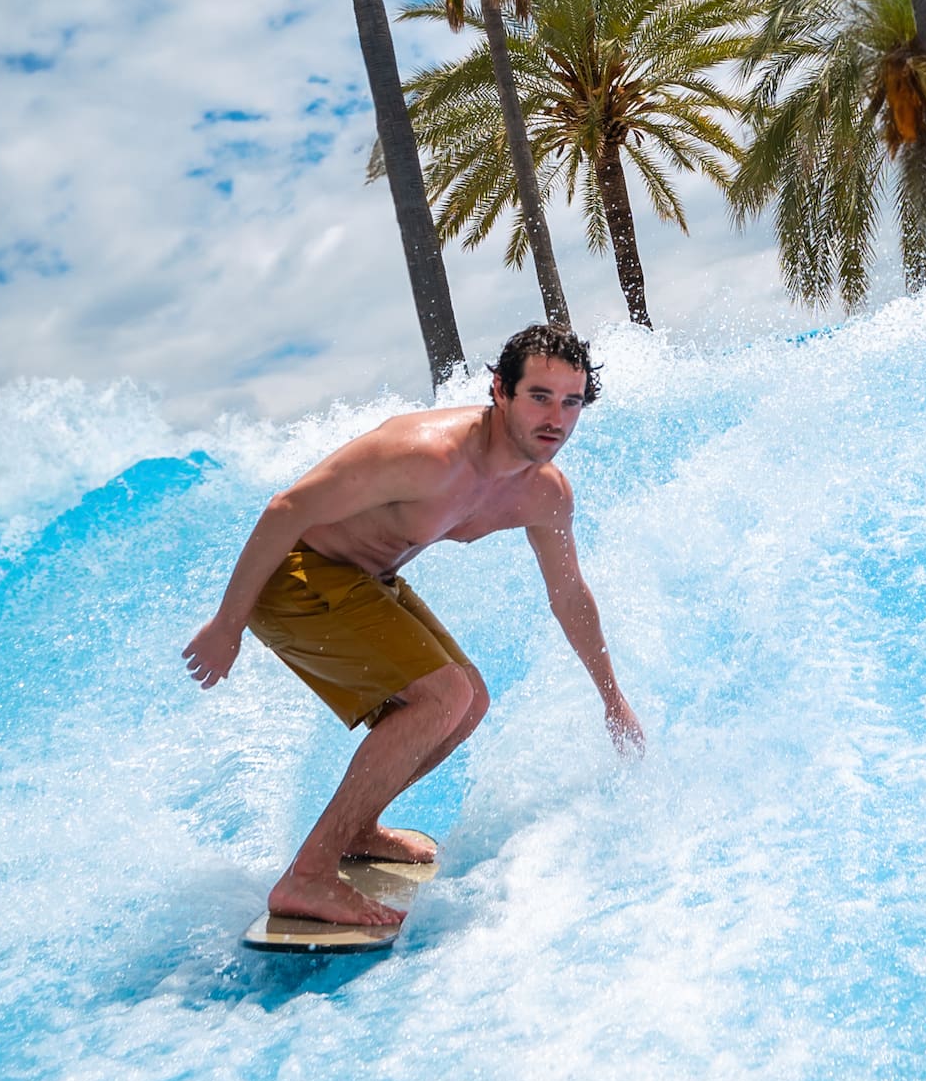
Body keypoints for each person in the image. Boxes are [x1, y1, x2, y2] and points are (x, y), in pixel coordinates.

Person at [182, 324, 643, 928]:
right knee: (441, 695)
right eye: (539, 396)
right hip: (295, 578)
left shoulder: (544, 493)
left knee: (470, 700)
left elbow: (569, 594)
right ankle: (308, 875)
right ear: (500, 390)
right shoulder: (425, 454)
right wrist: (228, 623)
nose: (556, 417)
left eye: (572, 402)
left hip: (364, 580)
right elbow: (286, 508)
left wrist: (612, 699)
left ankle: (357, 831)